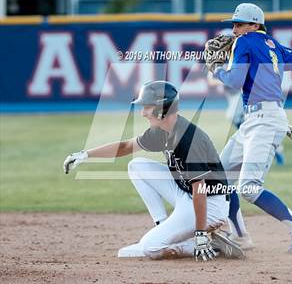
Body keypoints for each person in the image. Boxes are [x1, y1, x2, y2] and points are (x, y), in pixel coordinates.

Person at [63, 81, 245, 261]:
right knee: (137, 166)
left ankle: (205, 243)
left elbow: (200, 190)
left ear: (163, 108)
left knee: (149, 248)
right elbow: (126, 146)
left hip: (210, 205)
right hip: (186, 193)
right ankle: (164, 226)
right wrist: (85, 154)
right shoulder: (161, 131)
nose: (142, 113)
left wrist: (199, 233)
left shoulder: (189, 140)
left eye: (147, 107)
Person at [212, 3, 292, 253]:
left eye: (238, 24)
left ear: (254, 25)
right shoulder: (272, 43)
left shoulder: (245, 41)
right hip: (258, 119)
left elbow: (235, 81)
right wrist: (272, 57)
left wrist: (219, 71)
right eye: (233, 24)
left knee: (249, 187)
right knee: (217, 177)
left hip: (264, 120)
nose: (234, 29)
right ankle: (240, 236)